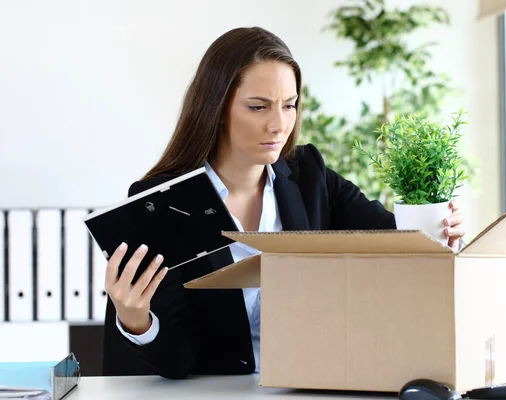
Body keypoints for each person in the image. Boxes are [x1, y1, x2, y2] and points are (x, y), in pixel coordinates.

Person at [102, 26, 466, 379]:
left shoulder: (309, 174)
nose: (279, 125)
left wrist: (439, 234)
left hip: (312, 385)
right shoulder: (162, 203)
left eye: (289, 105)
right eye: (258, 107)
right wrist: (137, 321)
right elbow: (177, 361)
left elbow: (394, 242)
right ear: (215, 107)